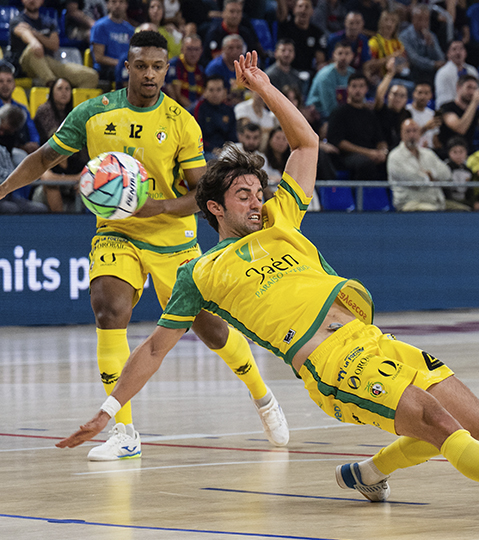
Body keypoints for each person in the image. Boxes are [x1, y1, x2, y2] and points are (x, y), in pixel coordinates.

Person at [56, 52, 479, 524]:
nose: (257, 202)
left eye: (258, 192)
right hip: (330, 365)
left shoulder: (280, 219)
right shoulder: (202, 273)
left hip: (372, 339)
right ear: (214, 208)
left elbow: (307, 142)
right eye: (244, 196)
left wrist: (263, 88)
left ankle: (369, 473)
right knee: (439, 422)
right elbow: (153, 348)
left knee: (476, 424)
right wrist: (107, 411)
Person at [0, 31, 288, 460]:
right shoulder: (93, 113)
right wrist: (3, 189)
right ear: (128, 67)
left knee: (212, 330)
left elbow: (200, 194)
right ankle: (125, 432)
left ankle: (262, 395)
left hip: (172, 238)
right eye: (141, 65)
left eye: (157, 66)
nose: (149, 73)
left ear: (166, 69)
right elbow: (44, 158)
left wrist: (155, 208)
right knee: (109, 310)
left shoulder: (180, 122)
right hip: (116, 233)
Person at [11, 0, 99, 89]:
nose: (33, 0)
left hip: (48, 61)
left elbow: (54, 45)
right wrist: (34, 42)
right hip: (24, 65)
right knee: (32, 50)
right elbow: (23, 32)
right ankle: (53, 86)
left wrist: (34, 33)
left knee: (91, 77)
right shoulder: (17, 20)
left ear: (42, 1)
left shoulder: (48, 22)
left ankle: (73, 101)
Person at [34, 78, 87, 213]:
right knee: (51, 186)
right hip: (47, 158)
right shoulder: (44, 110)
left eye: (67, 89)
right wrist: (75, 179)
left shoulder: (74, 114)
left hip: (70, 163)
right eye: (60, 88)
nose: (64, 92)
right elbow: (55, 137)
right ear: (52, 92)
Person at [327, 72, 388, 181]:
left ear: (366, 89)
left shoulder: (370, 114)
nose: (358, 90)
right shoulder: (339, 112)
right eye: (354, 86)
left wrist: (383, 152)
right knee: (365, 164)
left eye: (361, 86)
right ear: (348, 89)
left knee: (390, 160)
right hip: (346, 157)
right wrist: (368, 153)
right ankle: (362, 197)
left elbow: (380, 139)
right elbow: (338, 142)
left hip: (371, 154)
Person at [388, 118, 456, 211]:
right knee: (431, 212)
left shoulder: (428, 153)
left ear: (419, 133)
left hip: (437, 202)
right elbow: (415, 180)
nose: (412, 135)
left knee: (465, 212)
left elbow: (446, 174)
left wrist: (431, 174)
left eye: (415, 131)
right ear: (401, 134)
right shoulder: (395, 157)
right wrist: (432, 178)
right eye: (408, 131)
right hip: (410, 204)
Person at [437, 74, 479, 152]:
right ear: (458, 88)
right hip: (448, 153)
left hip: (468, 153)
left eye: (475, 88)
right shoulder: (447, 107)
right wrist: (474, 102)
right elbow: (460, 129)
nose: (472, 92)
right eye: (469, 87)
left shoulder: (475, 111)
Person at [308, 41, 355, 121]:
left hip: (343, 112)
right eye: (340, 53)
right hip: (320, 114)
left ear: (352, 56)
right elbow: (329, 107)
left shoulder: (353, 73)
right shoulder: (325, 76)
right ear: (334, 55)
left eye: (347, 54)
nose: (343, 57)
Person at [399, 4, 445, 85]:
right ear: (413, 19)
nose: (423, 22)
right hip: (413, 70)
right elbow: (413, 59)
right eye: (420, 19)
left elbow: (441, 58)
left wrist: (431, 45)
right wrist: (433, 64)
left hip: (429, 71)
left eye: (426, 20)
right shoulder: (404, 36)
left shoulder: (431, 35)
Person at [90, 0, 135, 82]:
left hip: (125, 67)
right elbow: (98, 57)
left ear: (126, 5)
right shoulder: (100, 27)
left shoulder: (130, 30)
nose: (117, 5)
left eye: (121, 2)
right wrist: (121, 64)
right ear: (107, 5)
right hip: (105, 69)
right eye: (114, 2)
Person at [195, 75, 238, 159]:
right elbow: (196, 137)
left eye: (218, 90)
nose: (215, 93)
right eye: (211, 90)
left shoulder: (229, 109)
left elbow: (233, 136)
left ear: (224, 91)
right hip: (205, 151)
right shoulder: (198, 108)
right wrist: (212, 148)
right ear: (205, 91)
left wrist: (227, 149)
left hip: (225, 150)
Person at [277, 0, 325, 75]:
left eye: (307, 7)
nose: (303, 10)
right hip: (287, 70)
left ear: (312, 11)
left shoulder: (317, 33)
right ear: (294, 10)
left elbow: (320, 59)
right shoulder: (285, 28)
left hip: (308, 72)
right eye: (300, 6)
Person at [165, 34, 206, 110]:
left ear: (201, 51)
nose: (193, 53)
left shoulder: (200, 70)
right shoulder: (174, 65)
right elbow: (177, 95)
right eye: (189, 49)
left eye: (196, 49)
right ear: (182, 49)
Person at [434, 41, 479, 107]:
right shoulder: (443, 73)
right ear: (448, 54)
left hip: (470, 107)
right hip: (449, 109)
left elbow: (476, 92)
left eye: (461, 49)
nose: (458, 52)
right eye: (454, 49)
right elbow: (444, 100)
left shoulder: (472, 70)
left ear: (465, 52)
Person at [406, 83, 440, 149]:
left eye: (426, 93)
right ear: (414, 94)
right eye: (420, 93)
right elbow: (407, 137)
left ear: (431, 95)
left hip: (429, 151)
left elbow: (435, 138)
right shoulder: (407, 111)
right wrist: (425, 128)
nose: (423, 96)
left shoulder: (431, 114)